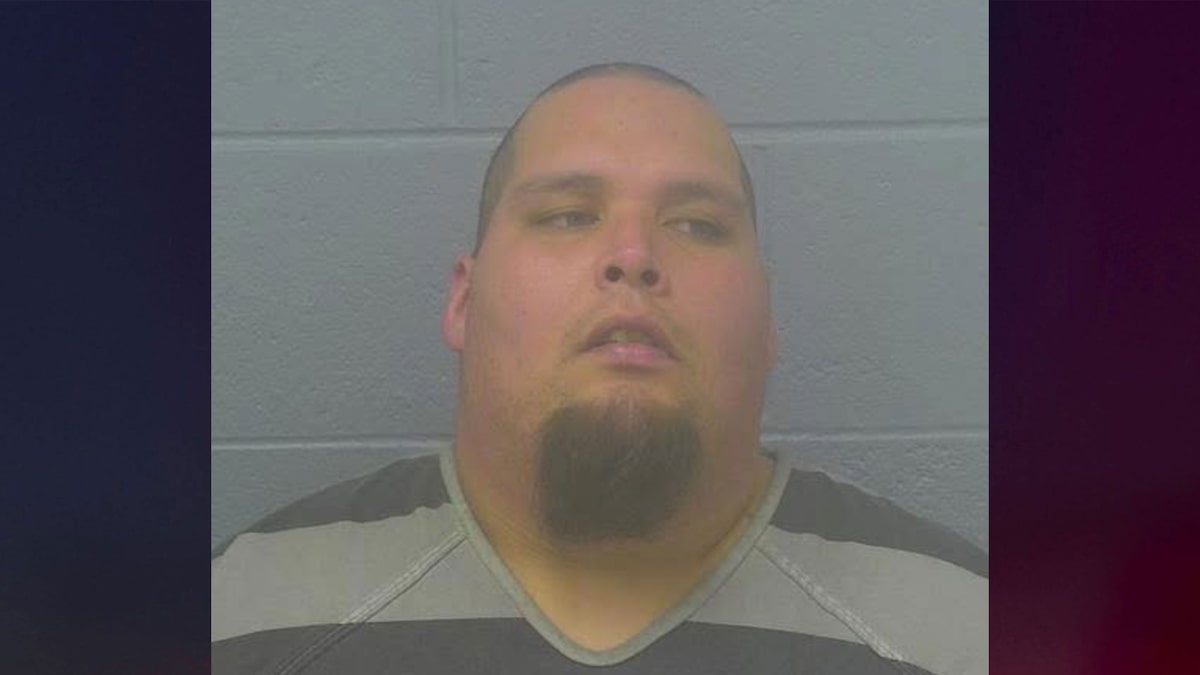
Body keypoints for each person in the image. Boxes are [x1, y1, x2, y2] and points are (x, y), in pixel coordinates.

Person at [211, 63, 987, 674]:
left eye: (697, 224)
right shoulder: (240, 614)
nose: (633, 256)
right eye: (568, 215)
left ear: (768, 319)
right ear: (465, 300)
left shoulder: (965, 631)